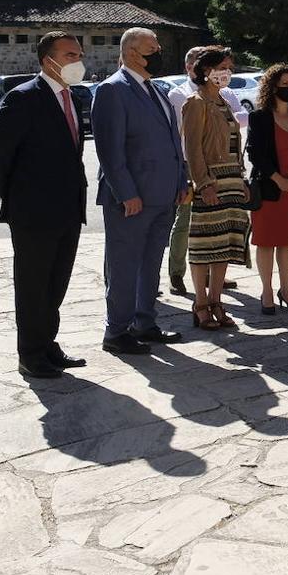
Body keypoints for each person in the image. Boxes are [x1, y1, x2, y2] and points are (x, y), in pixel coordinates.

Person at [0, 31, 90, 378]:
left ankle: (47, 344)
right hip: (33, 210)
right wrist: (14, 197)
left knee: (56, 282)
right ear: (49, 60)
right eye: (71, 54)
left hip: (68, 207)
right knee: (33, 284)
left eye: (79, 53)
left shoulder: (71, 97)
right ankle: (30, 353)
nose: (78, 60)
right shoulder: (24, 98)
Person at [93, 27, 189, 355]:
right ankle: (116, 331)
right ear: (133, 52)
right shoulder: (112, 90)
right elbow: (110, 150)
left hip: (164, 195)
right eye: (153, 48)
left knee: (150, 262)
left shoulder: (157, 89)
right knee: (123, 265)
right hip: (131, 200)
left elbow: (173, 142)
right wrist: (125, 192)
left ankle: (144, 322)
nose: (159, 52)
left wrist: (181, 181)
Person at [167, 46, 247, 297]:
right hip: (205, 178)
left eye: (229, 68)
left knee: (222, 239)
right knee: (200, 238)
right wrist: (204, 182)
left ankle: (215, 299)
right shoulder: (193, 101)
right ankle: (199, 300)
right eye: (222, 67)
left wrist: (240, 177)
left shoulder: (223, 99)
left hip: (229, 178)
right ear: (205, 70)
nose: (227, 72)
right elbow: (192, 146)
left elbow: (234, 139)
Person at [247, 65, 288, 314]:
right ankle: (267, 291)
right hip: (269, 189)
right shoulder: (259, 117)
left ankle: (286, 290)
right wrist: (277, 179)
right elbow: (256, 153)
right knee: (265, 242)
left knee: (287, 242)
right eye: (284, 83)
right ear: (272, 87)